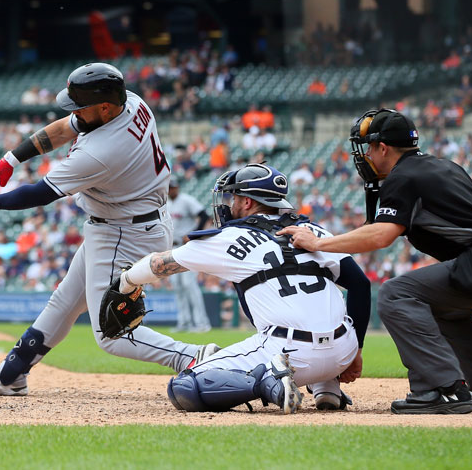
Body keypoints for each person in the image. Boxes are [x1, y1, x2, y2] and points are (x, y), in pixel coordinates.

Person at [0, 63, 216, 396]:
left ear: (105, 107)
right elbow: (63, 129)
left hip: (124, 233)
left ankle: (196, 357)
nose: (75, 112)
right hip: (125, 223)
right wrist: (10, 160)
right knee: (65, 302)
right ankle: (11, 376)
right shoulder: (131, 102)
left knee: (111, 334)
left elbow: (40, 193)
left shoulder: (102, 152)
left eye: (81, 105)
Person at [278, 108, 472, 414]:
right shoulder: (439, 166)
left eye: (368, 147)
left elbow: (381, 235)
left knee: (396, 293)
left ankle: (442, 389)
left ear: (383, 148)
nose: (365, 155)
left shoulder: (403, 175)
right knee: (438, 305)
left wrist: (318, 243)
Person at [117, 164, 370, 413]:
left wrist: (126, 281)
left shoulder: (229, 237)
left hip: (288, 351)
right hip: (343, 352)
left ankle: (268, 381)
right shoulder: (313, 231)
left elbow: (158, 264)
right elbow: (360, 284)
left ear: (247, 202)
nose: (230, 204)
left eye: (233, 197)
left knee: (184, 386)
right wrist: (355, 351)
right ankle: (327, 386)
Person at [167, 179, 211, 332]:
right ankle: (184, 322)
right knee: (178, 286)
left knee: (189, 285)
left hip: (187, 247)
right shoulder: (167, 204)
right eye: (169, 188)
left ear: (178, 187)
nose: (172, 190)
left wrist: (193, 234)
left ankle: (201, 323)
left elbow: (204, 216)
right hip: (173, 248)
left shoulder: (186, 200)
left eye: (173, 187)